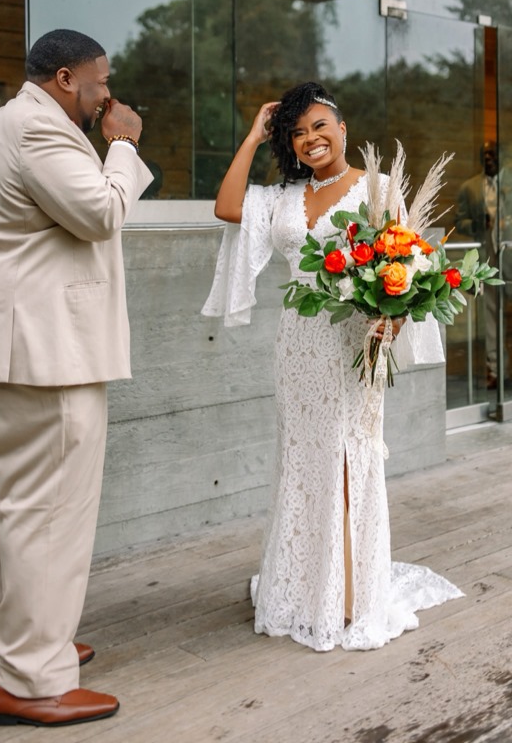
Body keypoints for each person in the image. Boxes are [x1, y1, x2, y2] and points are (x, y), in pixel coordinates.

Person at [202, 81, 462, 653]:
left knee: (347, 458)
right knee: (303, 456)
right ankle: (303, 586)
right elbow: (226, 206)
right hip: (298, 345)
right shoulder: (281, 198)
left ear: (343, 130)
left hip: (351, 342)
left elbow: (410, 263)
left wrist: (393, 320)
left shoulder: (379, 189)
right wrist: (252, 136)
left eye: (320, 126)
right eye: (297, 133)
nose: (310, 139)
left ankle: (347, 595)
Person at [0, 28, 153, 727]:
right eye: (100, 83)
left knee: (21, 510)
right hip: (43, 356)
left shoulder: (22, 122)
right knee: (51, 516)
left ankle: (10, 650)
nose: (107, 96)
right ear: (66, 78)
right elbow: (99, 213)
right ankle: (32, 680)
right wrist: (123, 143)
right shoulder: (38, 129)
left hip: (24, 351)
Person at [455, 142, 506, 388]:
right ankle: (494, 370)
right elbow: (459, 221)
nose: (489, 158)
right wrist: (477, 223)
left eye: (492, 154)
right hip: (487, 257)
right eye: (484, 154)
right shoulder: (469, 187)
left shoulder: (509, 183)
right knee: (490, 314)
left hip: (510, 254)